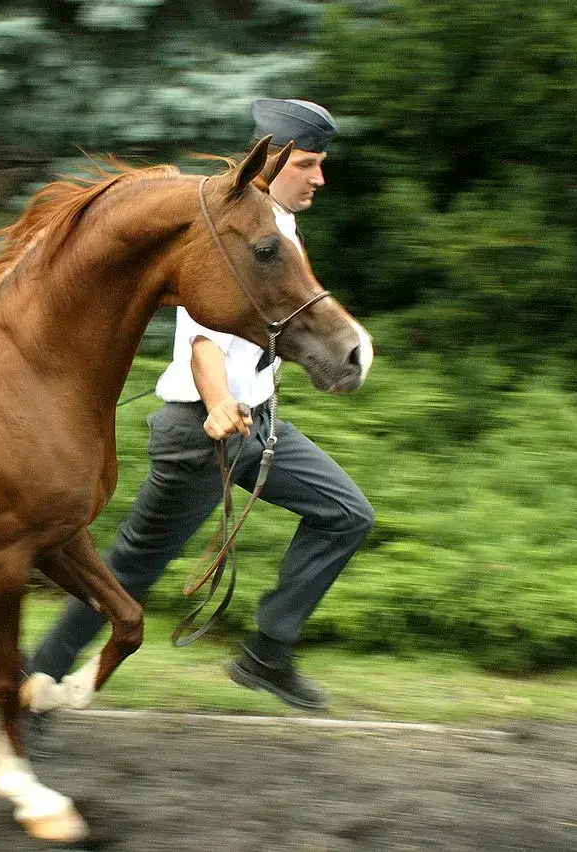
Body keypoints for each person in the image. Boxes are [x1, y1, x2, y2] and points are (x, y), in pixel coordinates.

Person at [25, 99, 375, 719]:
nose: (321, 179)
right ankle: (37, 681)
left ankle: (269, 651)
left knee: (345, 514)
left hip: (258, 427)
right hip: (201, 433)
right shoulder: (228, 228)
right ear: (274, 162)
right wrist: (216, 403)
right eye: (311, 165)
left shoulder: (280, 231)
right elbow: (202, 339)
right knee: (131, 568)